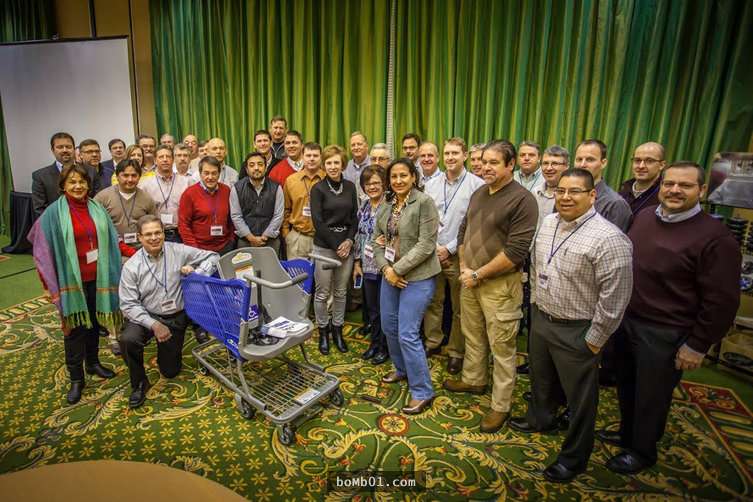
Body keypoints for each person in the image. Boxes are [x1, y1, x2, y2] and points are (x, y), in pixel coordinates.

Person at [602, 162, 741, 475]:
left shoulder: (716, 238)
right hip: (628, 320)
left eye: (685, 185)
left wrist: (698, 344)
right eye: (669, 184)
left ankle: (642, 451)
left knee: (652, 395)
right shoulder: (645, 217)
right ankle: (627, 433)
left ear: (702, 190)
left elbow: (722, 301)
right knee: (627, 383)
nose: (675, 190)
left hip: (666, 332)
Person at [509, 168, 633, 483]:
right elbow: (537, 268)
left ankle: (574, 458)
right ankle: (540, 419)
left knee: (580, 400)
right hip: (542, 318)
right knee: (541, 379)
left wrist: (595, 339)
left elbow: (616, 298)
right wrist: (535, 308)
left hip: (578, 328)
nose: (565, 197)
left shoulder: (609, 238)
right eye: (561, 190)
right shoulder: (549, 222)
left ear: (592, 195)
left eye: (575, 191)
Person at [442, 140, 538, 433]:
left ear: (511, 165)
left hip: (499, 285)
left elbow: (516, 251)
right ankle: (474, 380)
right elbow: (464, 230)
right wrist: (464, 267)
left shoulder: (523, 200)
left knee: (502, 347)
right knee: (472, 334)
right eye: (483, 162)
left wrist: (478, 273)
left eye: (494, 162)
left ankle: (500, 405)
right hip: (469, 278)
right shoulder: (480, 192)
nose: (486, 167)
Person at [28, 164, 123, 404]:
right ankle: (76, 378)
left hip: (98, 279)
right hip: (71, 283)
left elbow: (112, 240)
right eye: (72, 182)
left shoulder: (97, 209)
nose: (78, 186)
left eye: (82, 181)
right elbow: (40, 247)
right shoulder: (53, 213)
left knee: (94, 325)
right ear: (63, 186)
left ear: (88, 185)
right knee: (74, 330)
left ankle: (93, 363)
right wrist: (47, 283)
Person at [119, 215, 219, 408]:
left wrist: (197, 272)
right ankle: (139, 383)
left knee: (170, 371)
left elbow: (213, 256)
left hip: (174, 317)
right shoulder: (131, 266)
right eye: (148, 234)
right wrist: (154, 324)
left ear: (164, 234)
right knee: (128, 339)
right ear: (140, 237)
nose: (154, 238)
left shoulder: (178, 251)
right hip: (147, 315)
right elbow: (128, 305)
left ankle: (167, 354)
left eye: (158, 233)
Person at [373, 159, 441, 415]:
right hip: (390, 275)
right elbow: (376, 241)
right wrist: (386, 269)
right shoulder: (387, 204)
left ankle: (423, 391)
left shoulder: (424, 203)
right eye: (394, 176)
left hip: (418, 277)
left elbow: (426, 245)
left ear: (414, 177)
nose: (398, 180)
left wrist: (396, 270)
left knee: (407, 333)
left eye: (404, 175)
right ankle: (402, 369)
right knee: (389, 326)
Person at [423, 138, 484, 374]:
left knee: (460, 307)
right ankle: (433, 341)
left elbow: (474, 224)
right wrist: (434, 247)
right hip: (431, 253)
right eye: (447, 153)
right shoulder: (431, 184)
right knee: (433, 301)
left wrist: (448, 249)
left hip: (460, 255)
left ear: (465, 155)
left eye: (455, 153)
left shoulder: (477, 185)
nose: (450, 158)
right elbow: (426, 219)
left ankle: (456, 351)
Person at [310, 145, 358, 354]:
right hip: (324, 247)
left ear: (343, 164)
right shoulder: (318, 189)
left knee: (340, 292)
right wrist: (336, 245)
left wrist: (349, 241)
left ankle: (337, 330)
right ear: (324, 165)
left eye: (336, 162)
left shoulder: (350, 187)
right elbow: (317, 222)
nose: (332, 166)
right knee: (322, 293)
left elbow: (355, 218)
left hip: (346, 247)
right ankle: (323, 331)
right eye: (328, 163)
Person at [354, 165, 389, 365]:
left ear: (384, 184)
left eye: (376, 183)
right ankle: (374, 344)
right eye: (368, 183)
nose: (372, 187)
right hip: (367, 266)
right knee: (373, 309)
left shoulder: (390, 206)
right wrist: (357, 262)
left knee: (385, 310)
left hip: (385, 266)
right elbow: (359, 236)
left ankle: (384, 347)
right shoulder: (364, 206)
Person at [32, 132, 100, 218]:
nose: (65, 150)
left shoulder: (91, 171)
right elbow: (40, 209)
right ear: (53, 150)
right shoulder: (40, 176)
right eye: (60, 147)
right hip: (56, 222)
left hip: (88, 220)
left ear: (74, 149)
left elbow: (98, 200)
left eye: (68, 147)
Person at [178, 156, 235, 254]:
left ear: (219, 174)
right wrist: (194, 249)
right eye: (206, 173)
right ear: (200, 174)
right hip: (200, 249)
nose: (210, 177)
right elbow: (183, 225)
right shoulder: (189, 194)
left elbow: (231, 219)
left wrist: (231, 240)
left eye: (214, 173)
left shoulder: (226, 190)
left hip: (225, 247)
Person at [230, 152, 284, 254]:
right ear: (246, 169)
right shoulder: (237, 188)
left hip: (270, 241)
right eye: (252, 165)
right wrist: (250, 237)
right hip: (245, 241)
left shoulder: (276, 188)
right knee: (246, 265)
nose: (256, 168)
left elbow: (278, 215)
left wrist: (265, 236)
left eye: (260, 164)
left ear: (265, 167)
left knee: (270, 265)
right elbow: (236, 215)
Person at [574, 139, 632, 232]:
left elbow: (614, 240)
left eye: (590, 159)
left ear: (603, 163)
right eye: (579, 159)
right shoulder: (565, 196)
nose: (582, 165)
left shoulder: (615, 204)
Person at [281, 143, 325, 259]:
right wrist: (286, 233)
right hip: (298, 237)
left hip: (323, 239)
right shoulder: (291, 180)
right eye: (308, 155)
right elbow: (286, 209)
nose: (311, 159)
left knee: (321, 271)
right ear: (302, 157)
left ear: (321, 158)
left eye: (315, 156)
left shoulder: (327, 179)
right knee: (297, 271)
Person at [141, 145, 193, 243]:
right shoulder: (145, 184)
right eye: (161, 157)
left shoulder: (186, 182)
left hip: (181, 233)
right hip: (156, 234)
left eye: (168, 156)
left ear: (173, 160)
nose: (165, 160)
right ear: (155, 160)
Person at [618, 142, 665, 216]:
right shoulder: (623, 190)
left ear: (661, 165)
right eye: (637, 160)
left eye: (649, 161)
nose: (641, 166)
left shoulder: (664, 195)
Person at [533, 145, 570, 228]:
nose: (549, 168)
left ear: (566, 166)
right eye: (545, 163)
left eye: (555, 163)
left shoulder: (569, 196)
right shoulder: (535, 192)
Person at [343, 131, 371, 201]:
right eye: (353, 145)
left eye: (359, 144)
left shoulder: (373, 164)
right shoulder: (346, 167)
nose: (356, 147)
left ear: (366, 146)